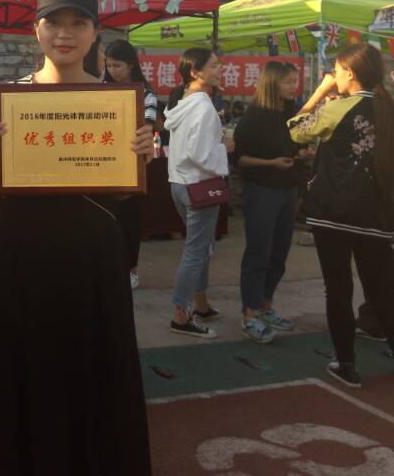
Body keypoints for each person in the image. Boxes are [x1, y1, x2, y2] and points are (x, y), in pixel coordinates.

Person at [0, 0, 155, 476]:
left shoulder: (118, 103)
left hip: (91, 257)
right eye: (53, 22)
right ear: (36, 30)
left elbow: (120, 193)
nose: (65, 33)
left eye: (78, 22)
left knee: (91, 372)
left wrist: (139, 161)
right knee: (17, 371)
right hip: (20, 255)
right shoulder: (6, 101)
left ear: (95, 33)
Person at [289, 44, 394, 388]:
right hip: (378, 216)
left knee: (338, 290)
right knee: (382, 291)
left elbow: (296, 129)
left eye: (335, 70)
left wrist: (320, 92)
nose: (333, 76)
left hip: (333, 214)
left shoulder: (338, 107)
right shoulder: (388, 108)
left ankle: (346, 365)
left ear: (349, 72)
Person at [234, 61, 305, 344]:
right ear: (272, 82)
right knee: (258, 253)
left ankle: (266, 306)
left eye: (294, 81)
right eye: (287, 81)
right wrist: (271, 164)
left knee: (279, 253)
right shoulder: (254, 117)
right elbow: (240, 159)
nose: (293, 87)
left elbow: (298, 143)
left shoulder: (292, 112)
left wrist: (304, 154)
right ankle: (249, 315)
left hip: (289, 190)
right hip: (262, 190)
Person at [165, 47, 232, 339]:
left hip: (179, 183)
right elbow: (201, 153)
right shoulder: (203, 107)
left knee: (201, 248)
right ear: (195, 72)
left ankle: (201, 304)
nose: (220, 70)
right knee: (196, 251)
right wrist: (225, 148)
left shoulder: (183, 102)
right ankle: (181, 314)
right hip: (199, 186)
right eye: (214, 65)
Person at [104, 38, 158, 289]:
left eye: (118, 66)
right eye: (109, 65)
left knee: (129, 218)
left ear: (131, 65)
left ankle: (131, 269)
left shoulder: (145, 93)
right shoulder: (100, 89)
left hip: (131, 161)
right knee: (106, 218)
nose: (113, 70)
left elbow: (148, 124)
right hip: (103, 161)